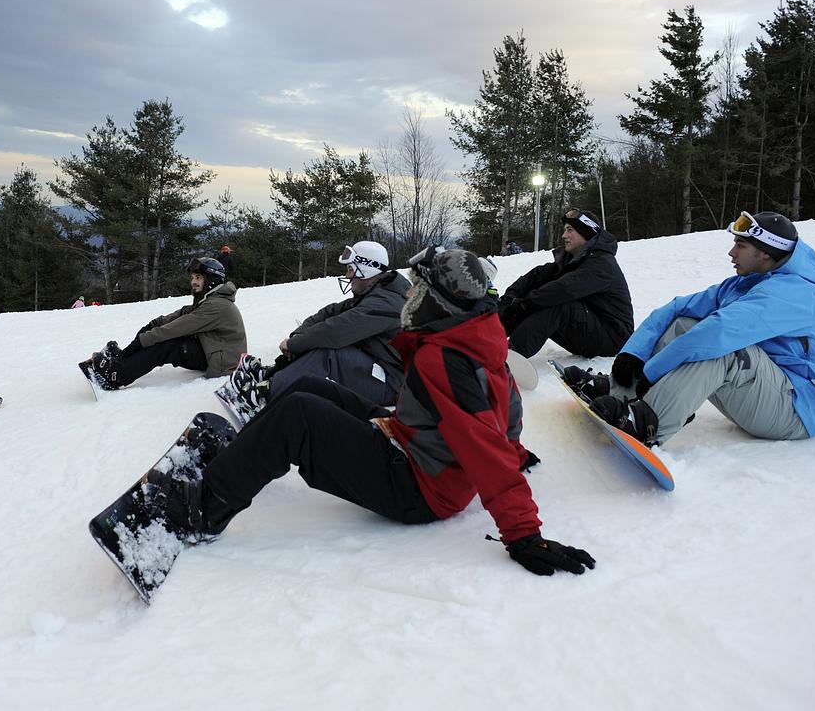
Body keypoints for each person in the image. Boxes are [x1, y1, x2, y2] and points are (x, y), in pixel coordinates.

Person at [142, 247, 593, 577]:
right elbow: (505, 408)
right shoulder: (477, 333)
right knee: (312, 386)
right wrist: (514, 449)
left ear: (441, 300)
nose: (411, 295)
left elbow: (482, 440)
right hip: (409, 440)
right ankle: (243, 454)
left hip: (418, 488)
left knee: (299, 413)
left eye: (420, 288)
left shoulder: (448, 356)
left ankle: (204, 508)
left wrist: (523, 533)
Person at [579, 211, 815, 449]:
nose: (732, 252)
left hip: (798, 410)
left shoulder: (794, 294)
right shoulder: (743, 284)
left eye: (740, 245)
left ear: (765, 252)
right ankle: (621, 390)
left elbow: (717, 333)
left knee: (723, 349)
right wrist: (633, 356)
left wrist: (652, 371)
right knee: (685, 323)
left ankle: (647, 423)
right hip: (766, 390)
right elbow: (677, 309)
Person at [226, 241, 411, 420]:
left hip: (391, 384)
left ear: (366, 269)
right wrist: (298, 336)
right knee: (315, 340)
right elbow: (329, 312)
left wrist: (293, 344)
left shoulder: (386, 303)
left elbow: (335, 330)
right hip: (377, 367)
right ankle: (274, 375)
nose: (347, 276)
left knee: (328, 350)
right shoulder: (375, 293)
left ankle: (265, 397)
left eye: (350, 269)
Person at [81, 257, 246, 390]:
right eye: (193, 278)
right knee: (158, 334)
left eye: (198, 278)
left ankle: (117, 375)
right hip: (213, 349)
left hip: (223, 361)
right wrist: (154, 324)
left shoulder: (217, 306)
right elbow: (182, 314)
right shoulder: (210, 300)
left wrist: (142, 340)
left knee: (168, 344)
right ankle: (121, 359)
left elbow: (177, 328)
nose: (193, 282)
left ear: (211, 280)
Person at [498, 208, 633, 359]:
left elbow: (562, 289)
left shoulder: (601, 264)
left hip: (612, 338)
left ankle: (511, 356)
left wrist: (522, 305)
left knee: (556, 302)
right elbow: (538, 275)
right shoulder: (575, 259)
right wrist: (509, 298)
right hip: (590, 329)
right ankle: (488, 337)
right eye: (564, 230)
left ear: (586, 232)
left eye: (570, 230)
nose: (564, 236)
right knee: (539, 295)